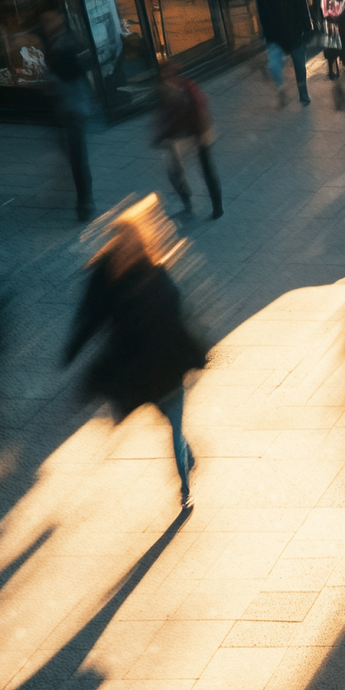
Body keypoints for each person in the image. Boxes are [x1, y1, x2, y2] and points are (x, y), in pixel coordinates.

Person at [64, 200, 207, 510]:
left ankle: (185, 489)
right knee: (168, 420)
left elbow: (175, 315)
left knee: (174, 425)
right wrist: (73, 347)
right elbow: (91, 315)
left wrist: (189, 350)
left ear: (140, 239)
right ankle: (186, 451)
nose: (124, 246)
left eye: (129, 239)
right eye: (119, 239)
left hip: (166, 365)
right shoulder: (105, 275)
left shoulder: (153, 272)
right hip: (137, 368)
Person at [40, 12, 93, 221]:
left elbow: (71, 73)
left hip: (73, 107)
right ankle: (84, 198)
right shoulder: (59, 43)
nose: (46, 26)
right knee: (76, 154)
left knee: (78, 156)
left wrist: (51, 79)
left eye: (49, 21)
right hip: (69, 107)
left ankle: (85, 202)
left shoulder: (63, 46)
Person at [153, 61, 223, 219]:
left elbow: (197, 111)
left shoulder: (186, 89)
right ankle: (187, 199)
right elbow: (164, 116)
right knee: (175, 169)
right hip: (183, 132)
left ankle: (216, 205)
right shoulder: (167, 91)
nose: (166, 80)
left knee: (206, 168)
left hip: (197, 130)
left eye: (167, 75)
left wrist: (202, 135)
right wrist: (163, 135)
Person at [259, 0, 314, 105]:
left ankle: (303, 94)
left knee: (299, 65)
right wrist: (265, 31)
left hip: (294, 33)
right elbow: (261, 10)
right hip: (275, 35)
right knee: (274, 65)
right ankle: (281, 89)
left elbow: (302, 7)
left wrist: (308, 28)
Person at [321, 0, 345, 78]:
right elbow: (343, 4)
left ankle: (331, 70)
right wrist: (337, 14)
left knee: (330, 46)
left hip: (329, 22)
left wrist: (328, 14)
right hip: (338, 21)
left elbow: (323, 6)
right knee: (339, 44)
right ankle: (338, 67)